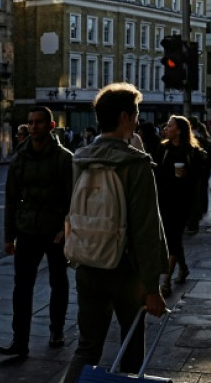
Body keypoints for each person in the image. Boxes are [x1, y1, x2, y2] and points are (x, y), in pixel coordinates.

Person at [60, 83, 168, 383]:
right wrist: (152, 286)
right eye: (135, 113)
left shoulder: (80, 158)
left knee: (86, 347)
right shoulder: (136, 163)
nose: (137, 119)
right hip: (126, 270)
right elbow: (146, 229)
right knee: (131, 345)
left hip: (87, 264)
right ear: (124, 117)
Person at [0, 106, 74, 357]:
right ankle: (19, 340)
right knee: (22, 287)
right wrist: (9, 236)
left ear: (51, 126)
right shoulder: (20, 158)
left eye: (39, 123)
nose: (33, 127)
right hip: (27, 229)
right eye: (30, 123)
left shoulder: (64, 158)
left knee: (58, 282)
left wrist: (65, 228)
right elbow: (11, 199)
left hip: (55, 231)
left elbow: (73, 198)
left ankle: (57, 330)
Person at [154, 115, 205, 296]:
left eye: (170, 125)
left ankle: (166, 281)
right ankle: (182, 267)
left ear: (179, 130)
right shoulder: (163, 148)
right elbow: (156, 172)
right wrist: (169, 174)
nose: (166, 128)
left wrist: (186, 175)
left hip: (183, 202)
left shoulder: (192, 151)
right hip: (165, 200)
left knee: (173, 237)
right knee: (172, 237)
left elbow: (199, 177)